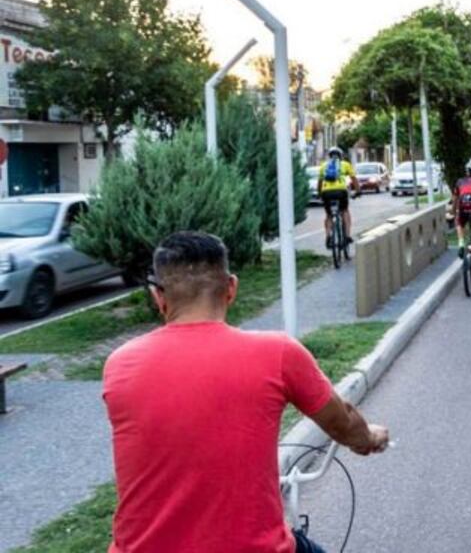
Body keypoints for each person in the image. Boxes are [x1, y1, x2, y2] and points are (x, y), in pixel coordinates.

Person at [103, 232, 389, 553]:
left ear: (158, 297)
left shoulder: (119, 364)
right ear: (232, 288)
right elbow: (343, 422)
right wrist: (369, 439)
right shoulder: (277, 353)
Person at [319, 146, 360, 247]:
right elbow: (353, 179)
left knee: (328, 215)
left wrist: (320, 194)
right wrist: (358, 191)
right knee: (345, 211)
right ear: (341, 156)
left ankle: (328, 237)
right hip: (340, 191)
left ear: (329, 156)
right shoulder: (345, 164)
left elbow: (319, 182)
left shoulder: (324, 166)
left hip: (326, 192)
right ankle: (346, 236)